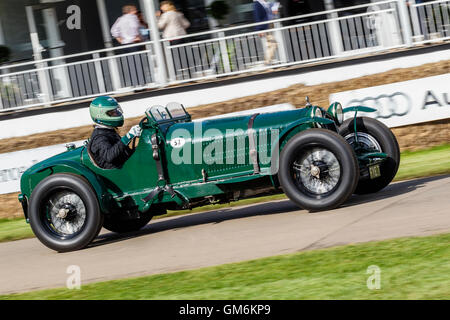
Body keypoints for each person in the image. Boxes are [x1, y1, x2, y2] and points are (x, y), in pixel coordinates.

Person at [88, 96, 142, 169]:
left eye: (116, 111)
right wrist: (128, 136)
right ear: (100, 115)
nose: (116, 114)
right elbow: (109, 156)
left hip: (126, 163)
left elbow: (121, 149)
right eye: (112, 113)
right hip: (120, 170)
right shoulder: (99, 137)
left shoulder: (108, 130)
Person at [253, 0, 279, 65]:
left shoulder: (264, 3)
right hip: (265, 27)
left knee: (271, 45)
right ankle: (267, 63)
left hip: (268, 26)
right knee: (273, 44)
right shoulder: (257, 4)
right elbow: (257, 17)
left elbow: (268, 13)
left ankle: (269, 62)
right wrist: (259, 29)